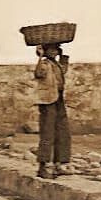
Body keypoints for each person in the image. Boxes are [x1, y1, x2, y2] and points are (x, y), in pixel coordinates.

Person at [34, 43, 71, 179]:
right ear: (46, 51)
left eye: (56, 50)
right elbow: (38, 73)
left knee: (62, 131)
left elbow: (63, 70)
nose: (54, 52)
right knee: (47, 132)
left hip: (58, 99)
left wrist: (63, 57)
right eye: (51, 50)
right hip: (48, 101)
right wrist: (40, 55)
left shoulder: (56, 64)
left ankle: (59, 165)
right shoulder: (44, 64)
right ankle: (42, 167)